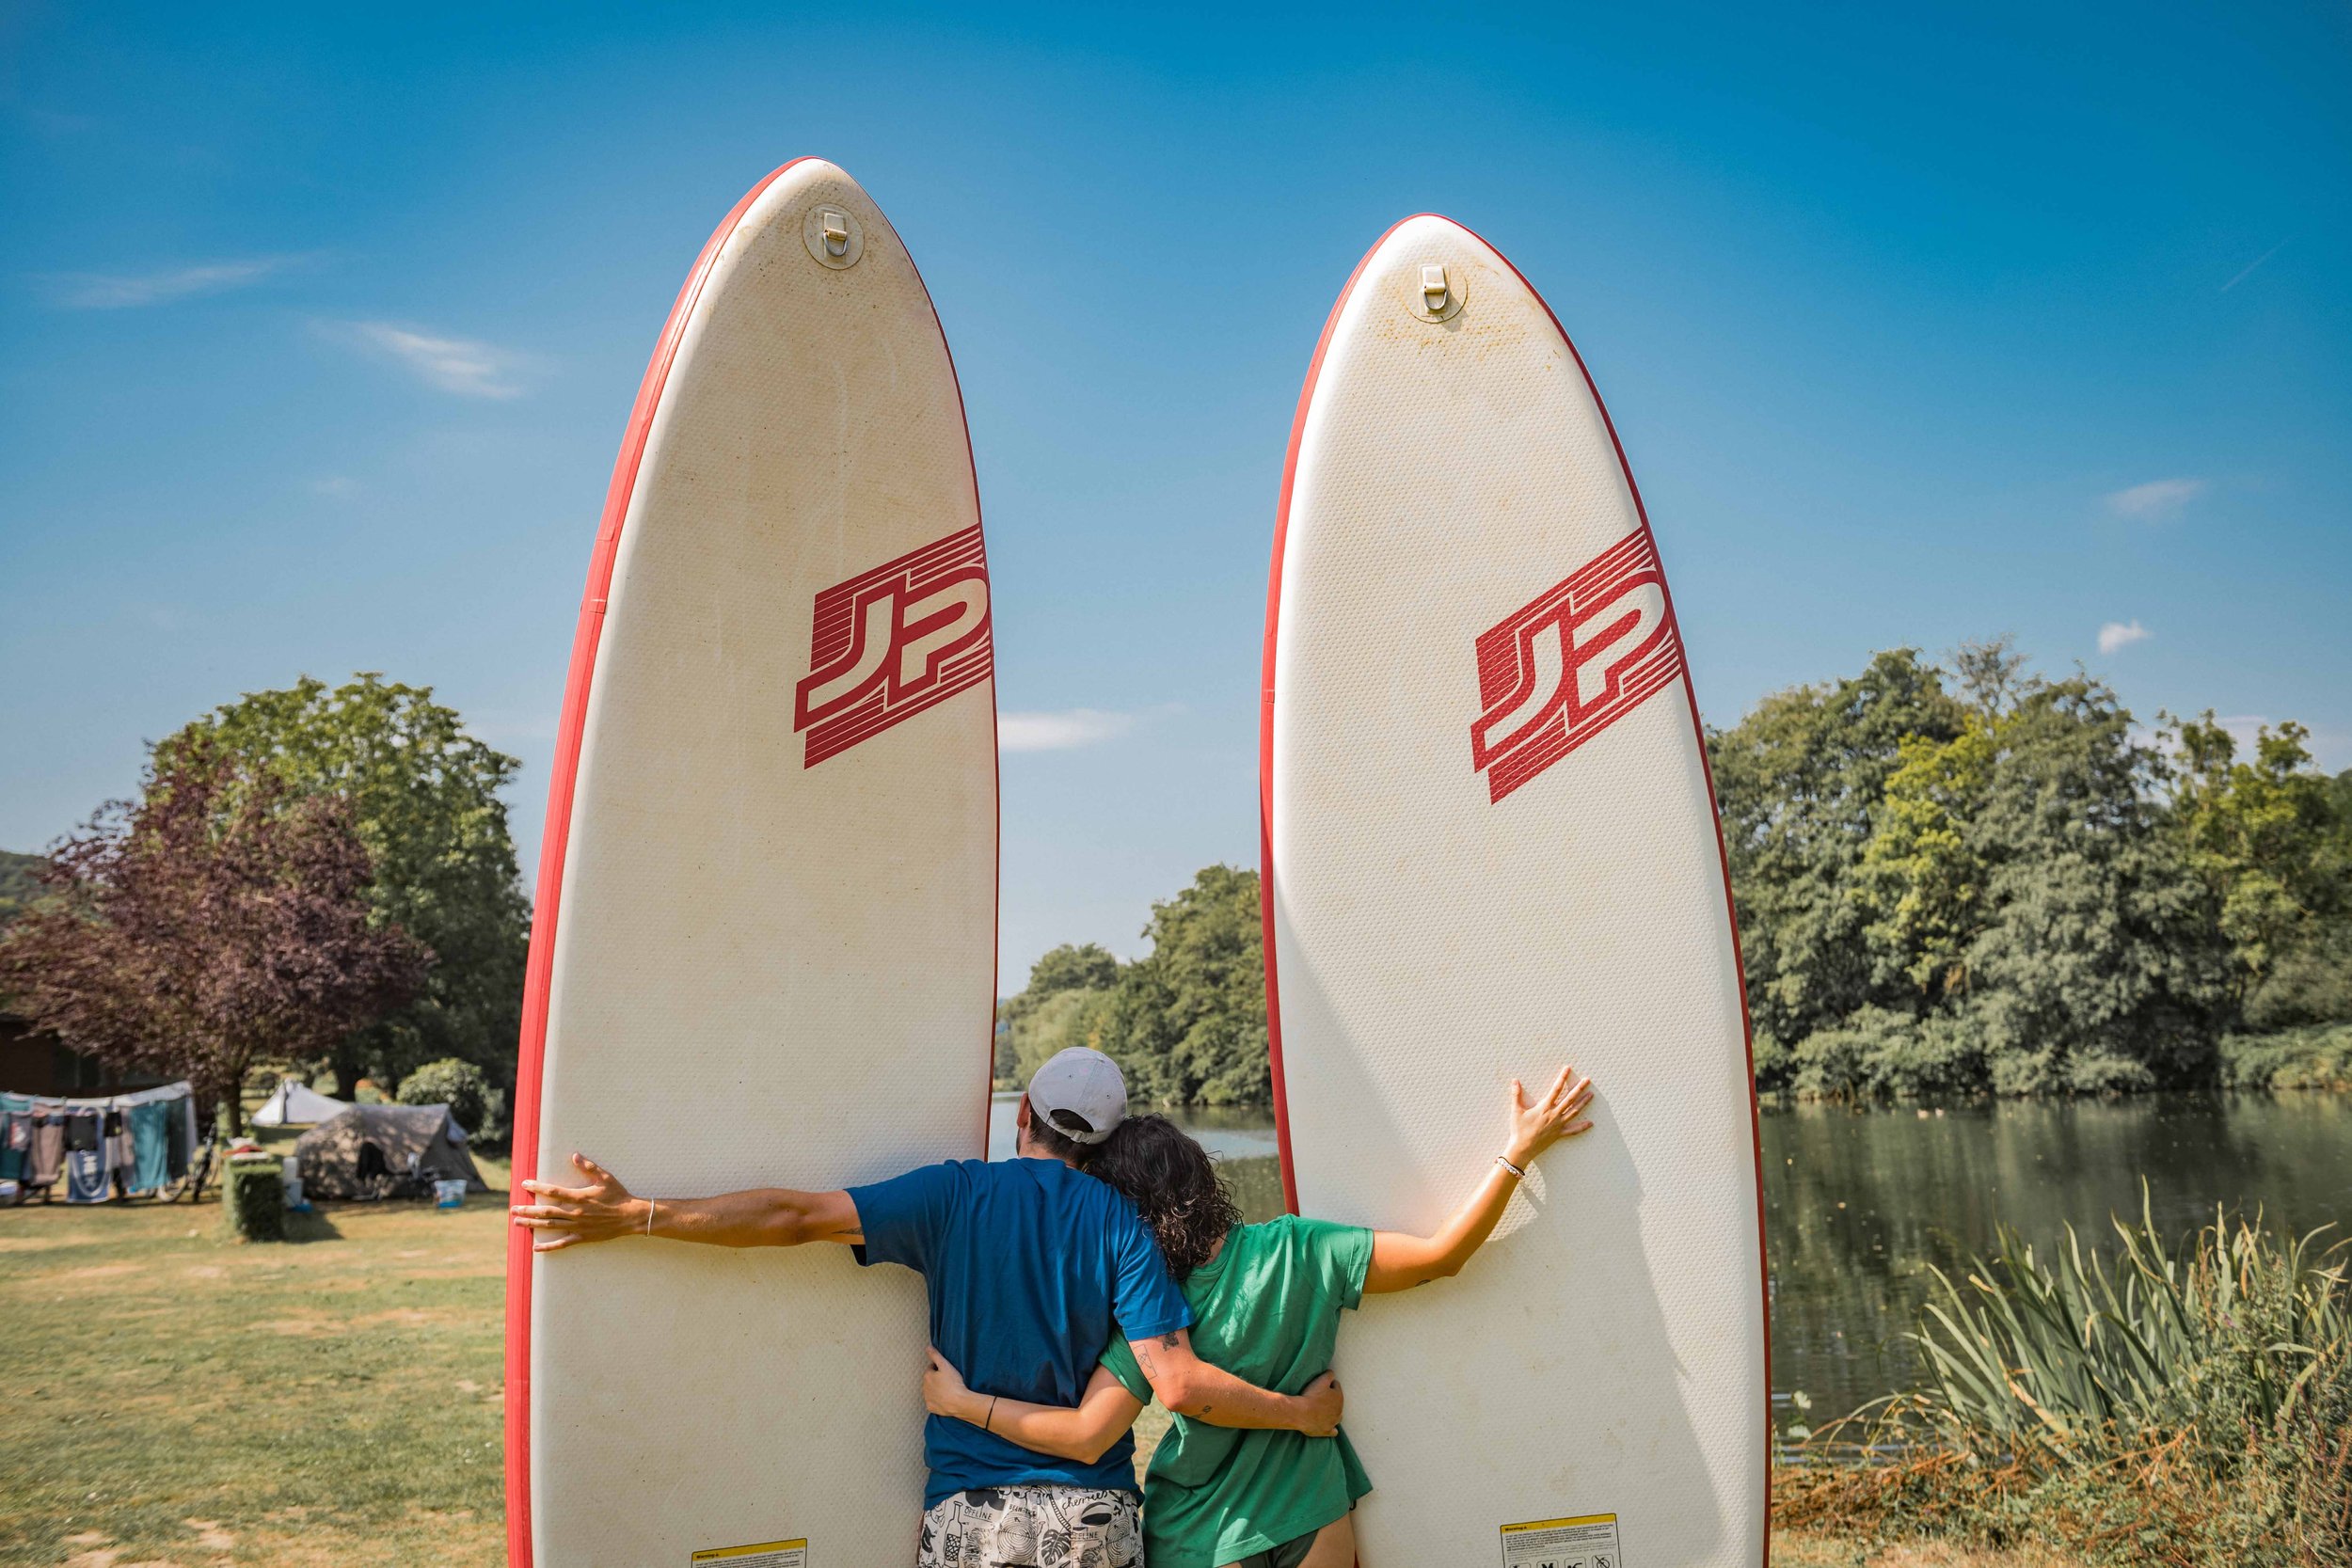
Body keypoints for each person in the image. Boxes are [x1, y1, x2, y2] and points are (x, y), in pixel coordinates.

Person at [510, 1046, 1343, 1568]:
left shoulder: (953, 1195)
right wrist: (1301, 1415)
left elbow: (792, 1215)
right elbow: (1179, 1380)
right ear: (1107, 1139)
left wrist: (642, 1213)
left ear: (1023, 1115)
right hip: (1093, 1518)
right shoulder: (1122, 1225)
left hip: (971, 1517)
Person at [923, 1065, 1596, 1568]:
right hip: (1312, 1513)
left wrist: (962, 1401)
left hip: (1198, 1538)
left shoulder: (1153, 1315)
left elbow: (1085, 1432)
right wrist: (1518, 1152)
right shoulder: (1303, 1250)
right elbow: (1442, 1254)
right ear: (1199, 1174)